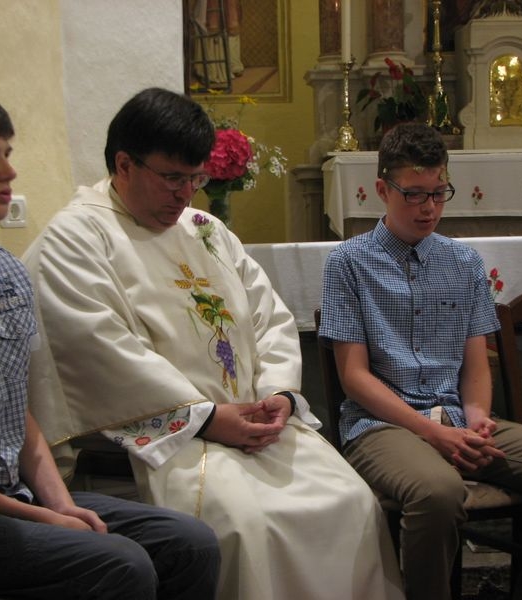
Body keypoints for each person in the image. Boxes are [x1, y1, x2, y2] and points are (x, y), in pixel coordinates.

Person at [22, 87, 403, 600]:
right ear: (124, 164)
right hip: (173, 441)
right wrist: (205, 418)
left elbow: (269, 316)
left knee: (351, 501)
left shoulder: (205, 230)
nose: (186, 195)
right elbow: (98, 349)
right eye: (172, 178)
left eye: (196, 179)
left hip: (256, 426)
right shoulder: (75, 238)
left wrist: (278, 394)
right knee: (250, 524)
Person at [0, 83, 220, 600]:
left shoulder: (5, 272)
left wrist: (60, 504)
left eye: (7, 153)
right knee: (121, 565)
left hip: (15, 493)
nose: (9, 172)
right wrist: (34, 515)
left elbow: (18, 411)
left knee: (190, 543)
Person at [318, 122, 522, 600]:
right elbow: (353, 377)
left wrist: (475, 418)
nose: (429, 208)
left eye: (439, 193)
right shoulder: (348, 263)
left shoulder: (465, 263)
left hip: (456, 417)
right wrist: (431, 432)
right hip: (380, 426)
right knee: (437, 493)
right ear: (382, 190)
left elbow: (476, 365)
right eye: (414, 195)